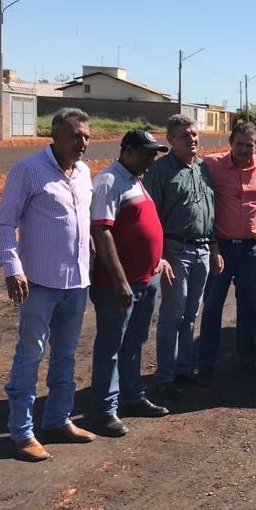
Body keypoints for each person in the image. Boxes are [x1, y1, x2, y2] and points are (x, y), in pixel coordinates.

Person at [0, 108, 96, 462]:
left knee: (65, 355)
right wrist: (11, 267)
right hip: (38, 283)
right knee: (30, 355)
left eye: (86, 136)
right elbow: (5, 224)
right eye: (74, 135)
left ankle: (58, 419)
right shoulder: (28, 170)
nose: (82, 143)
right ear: (54, 135)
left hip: (77, 282)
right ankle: (22, 432)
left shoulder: (84, 172)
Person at [87, 130, 174, 437]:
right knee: (110, 346)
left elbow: (141, 227)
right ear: (127, 150)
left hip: (145, 279)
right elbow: (102, 232)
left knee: (134, 343)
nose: (152, 159)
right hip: (119, 286)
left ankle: (132, 397)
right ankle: (103, 410)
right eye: (147, 153)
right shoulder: (109, 181)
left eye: (154, 153)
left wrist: (157, 260)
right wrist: (120, 281)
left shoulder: (135, 178)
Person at [143, 114, 222, 401]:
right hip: (175, 251)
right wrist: (160, 255)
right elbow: (151, 217)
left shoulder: (202, 168)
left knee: (191, 314)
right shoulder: (160, 171)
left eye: (194, 134)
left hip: (202, 249)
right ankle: (165, 376)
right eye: (185, 135)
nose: (192, 139)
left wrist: (214, 248)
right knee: (172, 315)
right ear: (170, 139)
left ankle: (184, 369)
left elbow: (210, 212)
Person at [197, 121, 256, 379]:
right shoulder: (211, 165)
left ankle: (249, 358)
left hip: (251, 249)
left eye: (249, 145)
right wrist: (211, 244)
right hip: (220, 248)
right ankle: (205, 361)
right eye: (239, 143)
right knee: (212, 305)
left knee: (248, 304)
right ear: (231, 142)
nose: (244, 149)